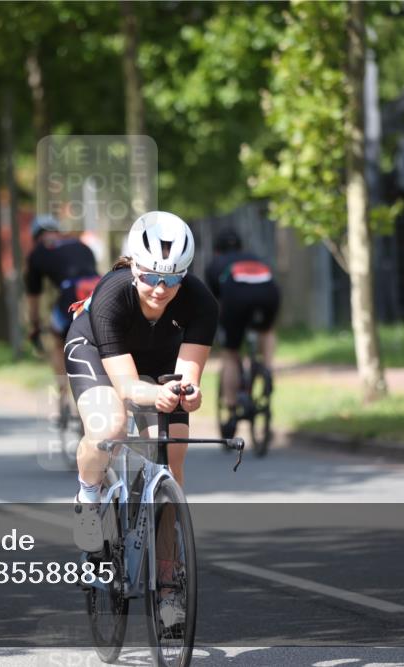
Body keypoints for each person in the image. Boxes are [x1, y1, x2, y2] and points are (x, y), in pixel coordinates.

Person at [65, 212, 216, 617]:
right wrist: (156, 394)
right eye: (151, 277)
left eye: (172, 279)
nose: (160, 289)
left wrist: (188, 393)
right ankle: (88, 495)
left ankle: (169, 585)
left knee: (174, 456)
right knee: (109, 427)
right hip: (98, 353)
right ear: (134, 266)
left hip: (158, 359)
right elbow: (129, 388)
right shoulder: (113, 294)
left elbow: (187, 378)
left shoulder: (201, 302)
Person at [204, 227, 281, 424]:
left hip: (236, 297)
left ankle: (231, 409)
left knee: (230, 354)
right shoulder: (255, 257)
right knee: (267, 329)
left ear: (217, 250)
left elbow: (216, 301)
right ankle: (267, 368)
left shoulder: (216, 263)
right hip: (268, 293)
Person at [25, 215, 100, 405]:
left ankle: (63, 394)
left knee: (57, 339)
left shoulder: (38, 252)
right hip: (99, 291)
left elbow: (33, 297)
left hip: (71, 295)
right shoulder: (80, 244)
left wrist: (33, 326)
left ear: (36, 236)